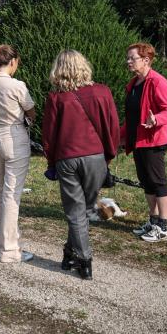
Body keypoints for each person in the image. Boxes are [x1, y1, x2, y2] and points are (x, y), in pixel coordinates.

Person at [41, 50, 119, 280]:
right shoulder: (102, 92)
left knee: (77, 211)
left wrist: (51, 160)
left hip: (67, 158)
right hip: (96, 156)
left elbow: (49, 135)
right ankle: (70, 253)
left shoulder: (56, 98)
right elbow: (111, 126)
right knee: (82, 210)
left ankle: (83, 260)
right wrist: (109, 155)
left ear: (59, 70)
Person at [0, 44, 36, 263]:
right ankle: (10, 249)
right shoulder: (17, 85)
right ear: (12, 62)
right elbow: (31, 111)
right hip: (14, 136)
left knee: (0, 190)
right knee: (12, 194)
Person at [123, 43, 167, 242]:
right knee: (146, 181)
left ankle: (164, 227)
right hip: (139, 139)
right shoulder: (135, 83)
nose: (128, 62)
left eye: (132, 58)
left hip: (155, 139)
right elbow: (132, 116)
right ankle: (153, 222)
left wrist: (156, 120)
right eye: (127, 58)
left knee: (158, 181)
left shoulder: (158, 82)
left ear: (146, 60)